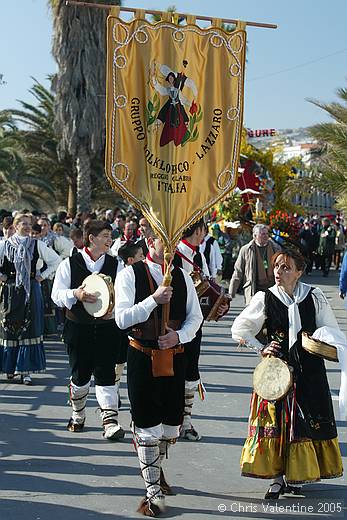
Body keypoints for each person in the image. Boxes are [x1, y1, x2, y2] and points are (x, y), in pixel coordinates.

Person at [231, 249, 343, 499]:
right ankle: (276, 478)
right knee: (277, 422)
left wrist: (321, 341)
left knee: (305, 422)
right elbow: (240, 328)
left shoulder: (314, 296)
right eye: (277, 266)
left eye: (286, 268)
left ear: (299, 272)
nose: (278, 272)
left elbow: (330, 329)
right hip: (277, 373)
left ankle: (297, 476)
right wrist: (261, 347)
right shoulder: (265, 298)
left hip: (310, 369)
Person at [114, 234, 203, 516]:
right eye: (167, 238)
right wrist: (154, 299)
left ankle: (154, 467)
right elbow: (121, 319)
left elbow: (196, 317)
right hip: (141, 354)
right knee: (148, 425)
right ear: (152, 240)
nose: (173, 244)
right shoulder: (130, 274)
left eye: (177, 239)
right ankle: (152, 494)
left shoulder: (183, 276)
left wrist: (179, 335)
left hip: (173, 356)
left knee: (169, 426)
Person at [51, 220, 125, 440]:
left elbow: (124, 293)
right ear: (91, 238)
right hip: (78, 328)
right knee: (80, 375)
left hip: (107, 328)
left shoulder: (116, 264)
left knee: (106, 374)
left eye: (109, 236)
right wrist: (76, 295)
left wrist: (117, 307)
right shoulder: (69, 264)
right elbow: (56, 295)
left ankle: (110, 421)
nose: (109, 240)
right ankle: (78, 413)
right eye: (104, 235)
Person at [0, 213, 60, 384]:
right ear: (16, 225)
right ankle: (9, 367)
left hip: (31, 291)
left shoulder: (37, 244)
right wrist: (1, 277)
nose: (27, 226)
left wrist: (42, 276)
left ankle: (25, 371)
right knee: (9, 328)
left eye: (29, 224)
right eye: (23, 223)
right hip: (10, 292)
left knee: (29, 328)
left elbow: (56, 260)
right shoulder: (4, 245)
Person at [229, 223, 281, 304]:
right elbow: (238, 272)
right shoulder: (246, 250)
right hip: (254, 290)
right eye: (263, 234)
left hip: (272, 289)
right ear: (255, 235)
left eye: (267, 233)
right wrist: (231, 293)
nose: (266, 236)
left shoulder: (275, 248)